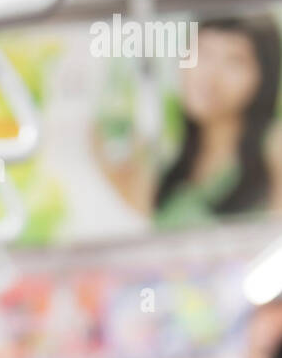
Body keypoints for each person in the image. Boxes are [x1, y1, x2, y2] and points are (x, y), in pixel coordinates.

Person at [99, 17, 282, 227]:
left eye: (235, 61)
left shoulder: (274, 146)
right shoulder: (168, 157)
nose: (210, 75)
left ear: (264, 75)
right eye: (202, 53)